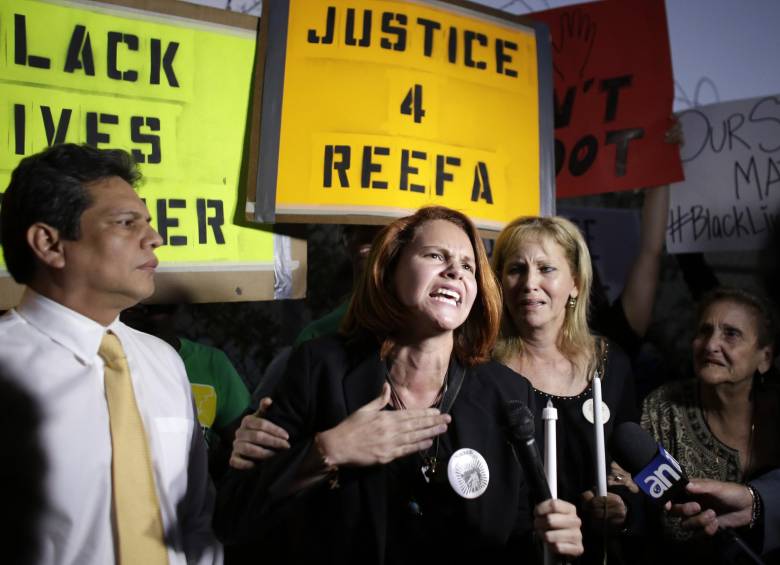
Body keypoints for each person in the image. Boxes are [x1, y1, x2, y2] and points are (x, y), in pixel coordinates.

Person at [215, 206, 583, 564]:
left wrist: (546, 540)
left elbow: (515, 535)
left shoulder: (508, 394)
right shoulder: (319, 368)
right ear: (390, 271)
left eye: (468, 266)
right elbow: (233, 518)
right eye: (435, 255)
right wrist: (325, 451)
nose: (455, 271)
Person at [0, 143, 221, 565]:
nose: (154, 238)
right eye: (126, 223)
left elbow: (195, 516)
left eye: (149, 223)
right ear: (49, 243)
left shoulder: (165, 362)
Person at [491, 216, 640, 563]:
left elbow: (631, 472)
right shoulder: (480, 370)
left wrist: (623, 507)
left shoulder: (610, 364)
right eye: (516, 269)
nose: (530, 283)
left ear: (575, 282)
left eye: (546, 268)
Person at [641, 287, 780, 561]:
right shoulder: (663, 407)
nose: (711, 345)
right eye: (704, 331)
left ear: (764, 357)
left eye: (731, 333)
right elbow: (639, 504)